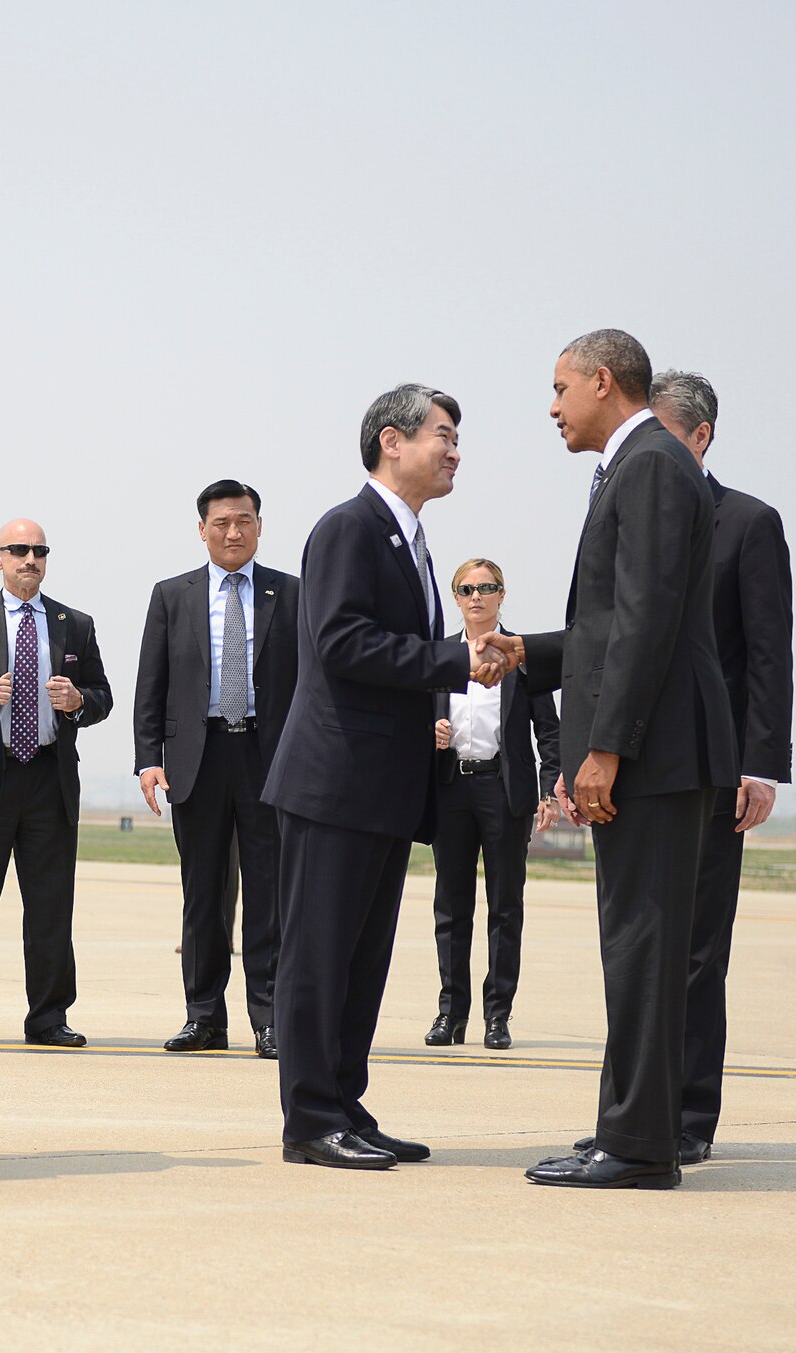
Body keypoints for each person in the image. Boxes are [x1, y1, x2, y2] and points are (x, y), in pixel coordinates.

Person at [484, 330, 738, 1190]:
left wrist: (603, 748)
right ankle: (628, 1132)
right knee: (637, 950)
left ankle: (637, 1146)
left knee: (645, 949)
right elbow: (608, 627)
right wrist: (532, 652)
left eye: (560, 388)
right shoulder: (640, 467)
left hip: (654, 756)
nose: (552, 408)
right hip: (652, 750)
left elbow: (649, 616)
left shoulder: (655, 465)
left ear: (603, 381)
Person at [262, 384, 504, 1171]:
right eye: (444, 434)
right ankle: (309, 1119)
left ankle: (344, 1100)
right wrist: (451, 658)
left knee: (361, 961)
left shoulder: (412, 539)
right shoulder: (348, 528)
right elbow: (339, 642)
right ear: (391, 441)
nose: (455, 449)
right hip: (334, 783)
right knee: (318, 957)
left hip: (382, 789)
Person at [134, 479, 299, 1059]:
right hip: (196, 761)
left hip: (268, 758)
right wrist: (148, 761)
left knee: (269, 894)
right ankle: (203, 1017)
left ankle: (270, 1018)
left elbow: (309, 686)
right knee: (202, 894)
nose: (234, 532)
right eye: (223, 522)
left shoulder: (292, 594)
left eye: (245, 521)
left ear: (260, 526)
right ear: (201, 528)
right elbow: (150, 685)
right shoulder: (171, 596)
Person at [0, 519, 113, 1050]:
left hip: (48, 776)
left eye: (39, 550)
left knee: (50, 905)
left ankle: (48, 1017)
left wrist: (78, 701)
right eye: (19, 550)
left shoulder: (74, 624)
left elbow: (102, 696)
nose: (30, 559)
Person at [425, 558, 560, 1052]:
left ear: (502, 595)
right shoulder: (439, 655)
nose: (476, 596)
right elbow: (413, 716)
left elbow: (549, 729)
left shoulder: (523, 655)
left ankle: (497, 1016)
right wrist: (430, 734)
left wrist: (549, 789)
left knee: (505, 906)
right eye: (466, 588)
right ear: (456, 598)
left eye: (487, 587)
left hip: (503, 791)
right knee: (451, 906)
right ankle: (450, 1014)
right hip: (451, 788)